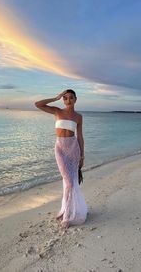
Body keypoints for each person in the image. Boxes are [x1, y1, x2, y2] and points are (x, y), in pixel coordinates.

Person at [35, 89, 88, 229]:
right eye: (65, 98)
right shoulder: (57, 111)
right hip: (60, 148)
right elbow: (38, 104)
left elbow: (80, 137)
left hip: (73, 148)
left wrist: (82, 155)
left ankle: (66, 212)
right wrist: (55, 97)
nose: (68, 100)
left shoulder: (78, 117)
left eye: (71, 98)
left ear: (76, 99)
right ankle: (66, 212)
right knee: (68, 181)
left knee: (70, 182)